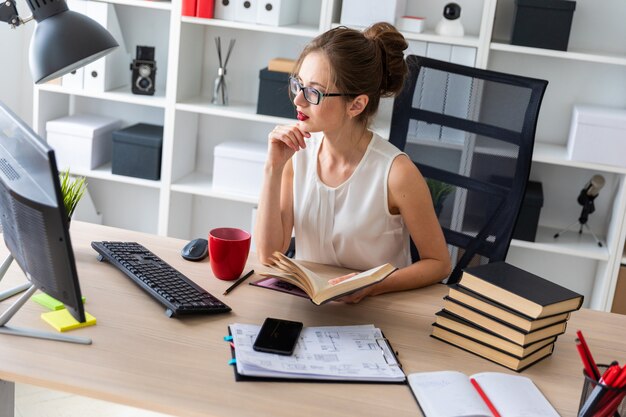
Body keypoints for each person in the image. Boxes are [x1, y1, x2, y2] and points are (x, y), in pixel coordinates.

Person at [254, 22, 451, 303]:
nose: (298, 99)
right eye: (298, 84)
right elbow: (269, 255)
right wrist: (272, 169)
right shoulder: (297, 155)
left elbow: (438, 263)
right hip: (312, 307)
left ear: (356, 105)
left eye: (314, 92)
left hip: (378, 312)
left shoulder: (396, 173)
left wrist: (372, 286)